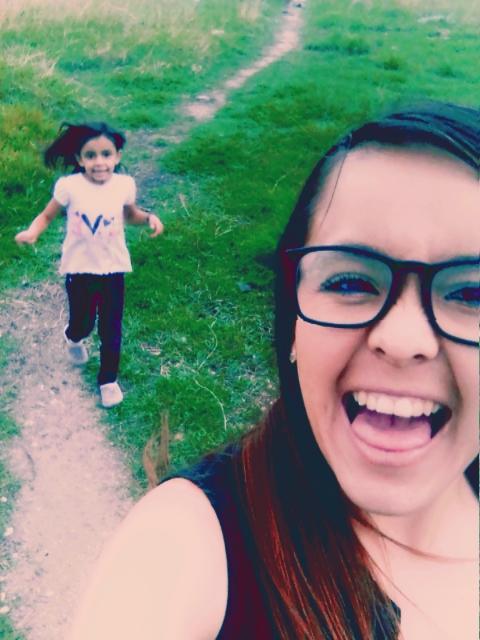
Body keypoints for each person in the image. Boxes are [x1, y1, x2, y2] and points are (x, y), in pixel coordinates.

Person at [68, 102, 479, 639]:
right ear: (291, 324)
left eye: (472, 294)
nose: (403, 341)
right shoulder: (182, 543)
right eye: (350, 282)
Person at [15, 121, 164, 408]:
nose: (99, 162)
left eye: (106, 154)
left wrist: (148, 218)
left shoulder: (124, 185)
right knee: (82, 323)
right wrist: (33, 232)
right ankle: (73, 338)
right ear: (79, 159)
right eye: (91, 155)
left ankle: (108, 380)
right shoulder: (69, 187)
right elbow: (46, 216)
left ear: (117, 156)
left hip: (113, 270)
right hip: (79, 270)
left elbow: (129, 215)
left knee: (111, 329)